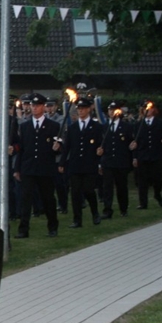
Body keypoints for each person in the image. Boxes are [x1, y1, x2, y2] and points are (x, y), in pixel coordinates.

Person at [13, 93, 62, 238]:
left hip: (45, 168)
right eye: (32, 105)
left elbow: (60, 146)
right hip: (28, 167)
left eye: (38, 105)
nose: (34, 108)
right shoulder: (25, 126)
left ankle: (52, 226)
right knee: (25, 199)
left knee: (48, 198)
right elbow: (21, 149)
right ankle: (23, 229)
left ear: (43, 107)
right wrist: (17, 169)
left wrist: (58, 147)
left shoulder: (53, 126)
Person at [59, 96, 103, 228]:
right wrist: (62, 163)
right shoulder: (72, 128)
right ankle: (77, 219)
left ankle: (95, 213)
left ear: (89, 109)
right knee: (75, 193)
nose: (81, 111)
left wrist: (100, 155)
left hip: (90, 164)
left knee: (89, 190)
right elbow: (67, 147)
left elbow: (101, 144)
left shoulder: (96, 127)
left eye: (83, 108)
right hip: (75, 164)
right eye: (79, 108)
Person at [97, 101, 134, 219]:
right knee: (107, 187)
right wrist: (99, 160)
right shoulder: (103, 127)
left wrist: (132, 147)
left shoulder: (126, 127)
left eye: (114, 110)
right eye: (110, 110)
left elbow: (130, 143)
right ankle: (107, 210)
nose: (112, 112)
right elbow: (99, 144)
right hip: (107, 162)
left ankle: (123, 208)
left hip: (121, 162)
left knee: (121, 187)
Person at [130, 100, 162, 209]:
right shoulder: (138, 125)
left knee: (158, 179)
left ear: (153, 110)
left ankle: (157, 194)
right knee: (142, 181)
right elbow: (135, 142)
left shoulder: (160, 123)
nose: (147, 110)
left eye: (150, 108)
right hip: (143, 156)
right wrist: (135, 157)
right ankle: (143, 203)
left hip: (156, 155)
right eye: (145, 108)